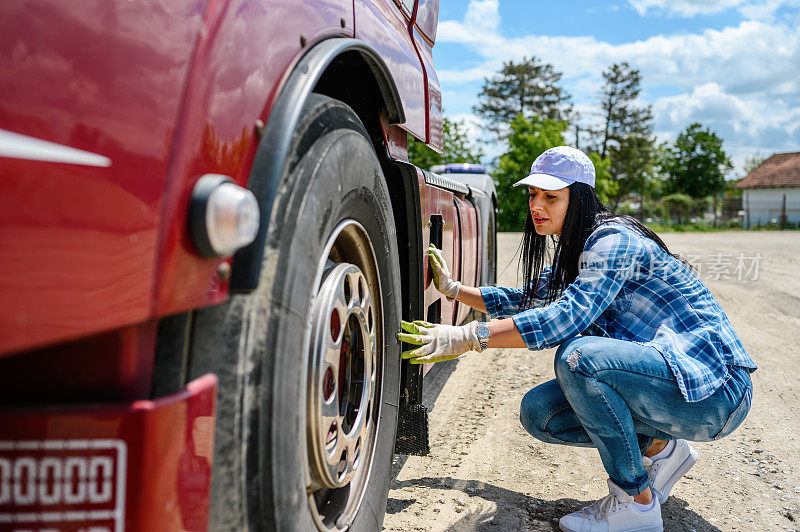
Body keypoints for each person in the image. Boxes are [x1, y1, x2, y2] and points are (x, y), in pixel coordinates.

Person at [397, 146, 756, 532]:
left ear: (580, 198)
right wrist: (453, 290)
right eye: (533, 194)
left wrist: (470, 336)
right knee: (540, 413)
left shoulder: (613, 242)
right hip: (673, 385)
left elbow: (566, 318)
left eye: (551, 196)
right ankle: (660, 451)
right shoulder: (578, 250)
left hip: (715, 392)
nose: (537, 204)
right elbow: (526, 299)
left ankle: (636, 504)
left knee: (579, 359)